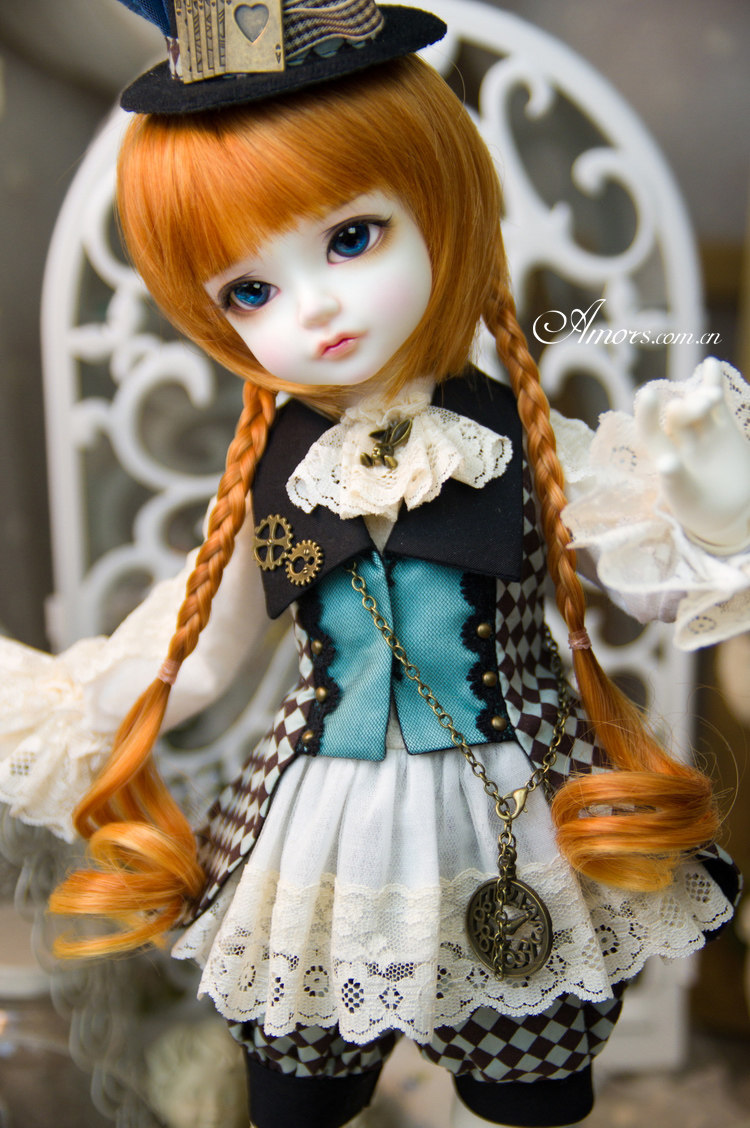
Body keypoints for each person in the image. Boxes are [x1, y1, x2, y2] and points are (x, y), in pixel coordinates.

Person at [0, 3, 747, 1126]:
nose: (318, 310)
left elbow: (650, 586)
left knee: (533, 1088)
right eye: (250, 291)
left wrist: (714, 516)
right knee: (297, 1092)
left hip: (517, 815)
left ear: (441, 204)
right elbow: (201, 656)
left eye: (353, 237)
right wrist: (69, 707)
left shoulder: (521, 440)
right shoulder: (273, 474)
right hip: (318, 831)